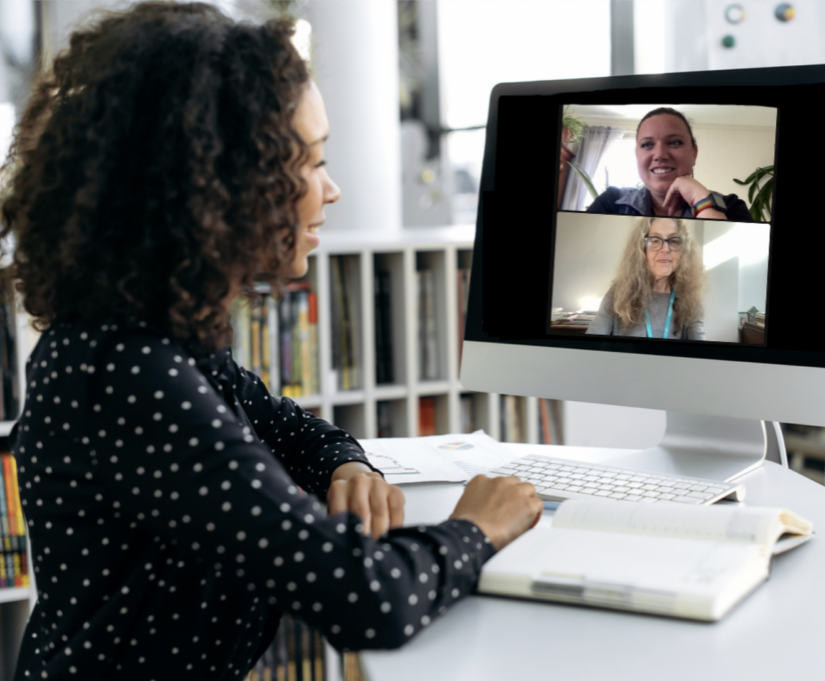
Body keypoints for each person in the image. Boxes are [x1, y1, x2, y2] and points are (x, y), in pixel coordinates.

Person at [0, 3, 543, 678]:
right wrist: (479, 525)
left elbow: (288, 429)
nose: (333, 190)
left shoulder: (155, 335)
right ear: (216, 183)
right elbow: (365, 598)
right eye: (310, 163)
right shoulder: (127, 372)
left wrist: (346, 465)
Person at [586, 107, 753, 222]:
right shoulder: (611, 203)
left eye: (674, 142)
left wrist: (703, 202)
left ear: (694, 153)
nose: (659, 154)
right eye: (646, 145)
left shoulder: (731, 206)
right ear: (636, 155)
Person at [586, 217, 706, 340]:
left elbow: (700, 352)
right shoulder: (617, 293)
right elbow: (591, 346)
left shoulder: (690, 297)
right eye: (654, 240)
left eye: (674, 241)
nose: (665, 249)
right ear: (641, 249)